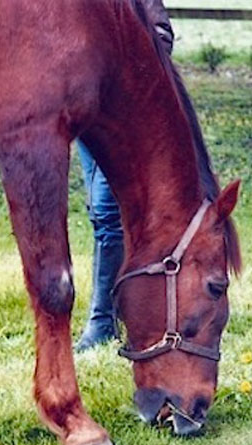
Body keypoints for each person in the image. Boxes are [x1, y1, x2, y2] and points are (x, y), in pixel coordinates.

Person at [75, 0, 175, 352]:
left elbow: (161, 35)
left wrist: (118, 73)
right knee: (100, 213)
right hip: (84, 111)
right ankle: (124, 309)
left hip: (122, 112)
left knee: (106, 213)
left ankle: (103, 321)